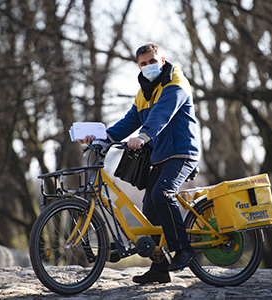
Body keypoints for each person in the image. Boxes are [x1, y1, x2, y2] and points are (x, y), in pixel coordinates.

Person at [81, 43, 201, 284]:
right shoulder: (144, 92)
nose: (148, 67)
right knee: (149, 210)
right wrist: (103, 138)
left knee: (162, 194)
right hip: (159, 157)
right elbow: (129, 121)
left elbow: (162, 115)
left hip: (181, 152)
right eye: (143, 64)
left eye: (152, 61)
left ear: (162, 60)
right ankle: (159, 269)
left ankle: (184, 250)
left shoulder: (176, 83)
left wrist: (144, 136)